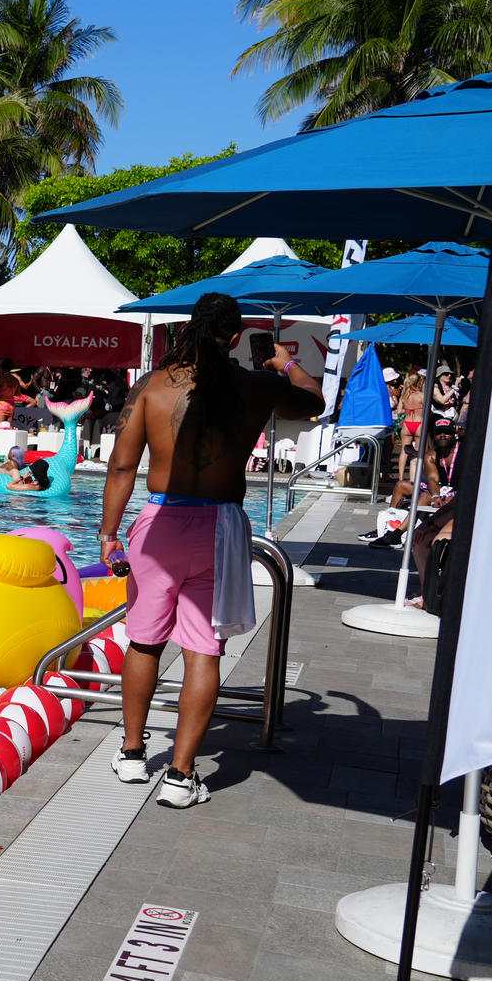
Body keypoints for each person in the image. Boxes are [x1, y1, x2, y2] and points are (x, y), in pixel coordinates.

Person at [101, 292, 323, 808]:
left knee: (144, 642)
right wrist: (284, 363)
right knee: (203, 650)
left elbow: (121, 466)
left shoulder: (152, 385)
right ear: (237, 337)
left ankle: (132, 755)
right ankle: (181, 778)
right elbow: (313, 401)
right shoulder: (255, 384)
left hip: (160, 525)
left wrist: (110, 533)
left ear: (187, 328)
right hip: (220, 527)